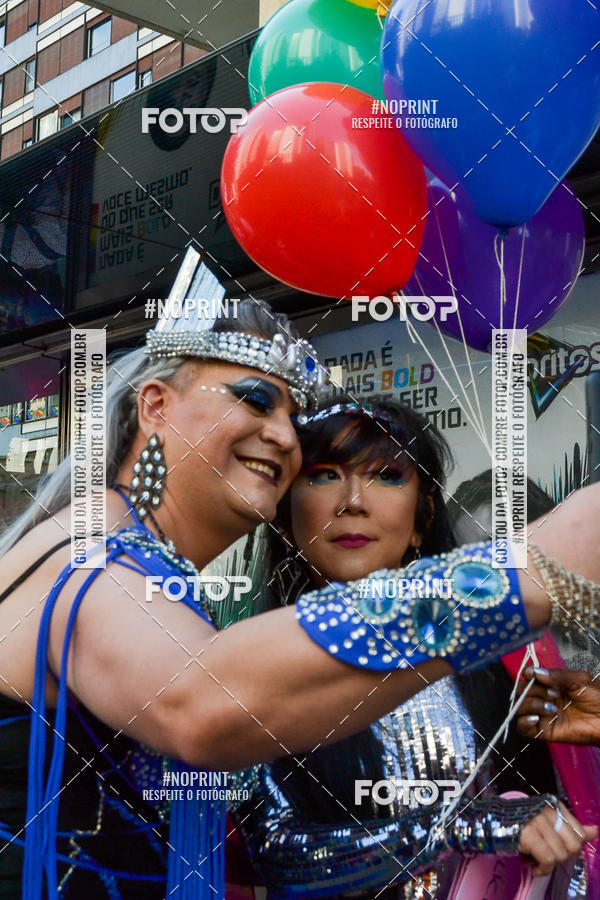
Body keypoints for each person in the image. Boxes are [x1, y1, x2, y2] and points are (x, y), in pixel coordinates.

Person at [0, 301, 598, 899]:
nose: (286, 437)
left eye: (294, 416)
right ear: (156, 406)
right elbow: (203, 706)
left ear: (423, 518)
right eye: (257, 401)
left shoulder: (146, 567)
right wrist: (531, 570)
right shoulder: (98, 551)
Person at [233, 401, 598, 899]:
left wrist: (588, 745)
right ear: (282, 517)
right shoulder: (249, 667)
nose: (353, 502)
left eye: (386, 474)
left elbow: (570, 827)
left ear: (423, 517)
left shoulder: (500, 657)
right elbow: (277, 851)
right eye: (323, 475)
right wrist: (465, 826)